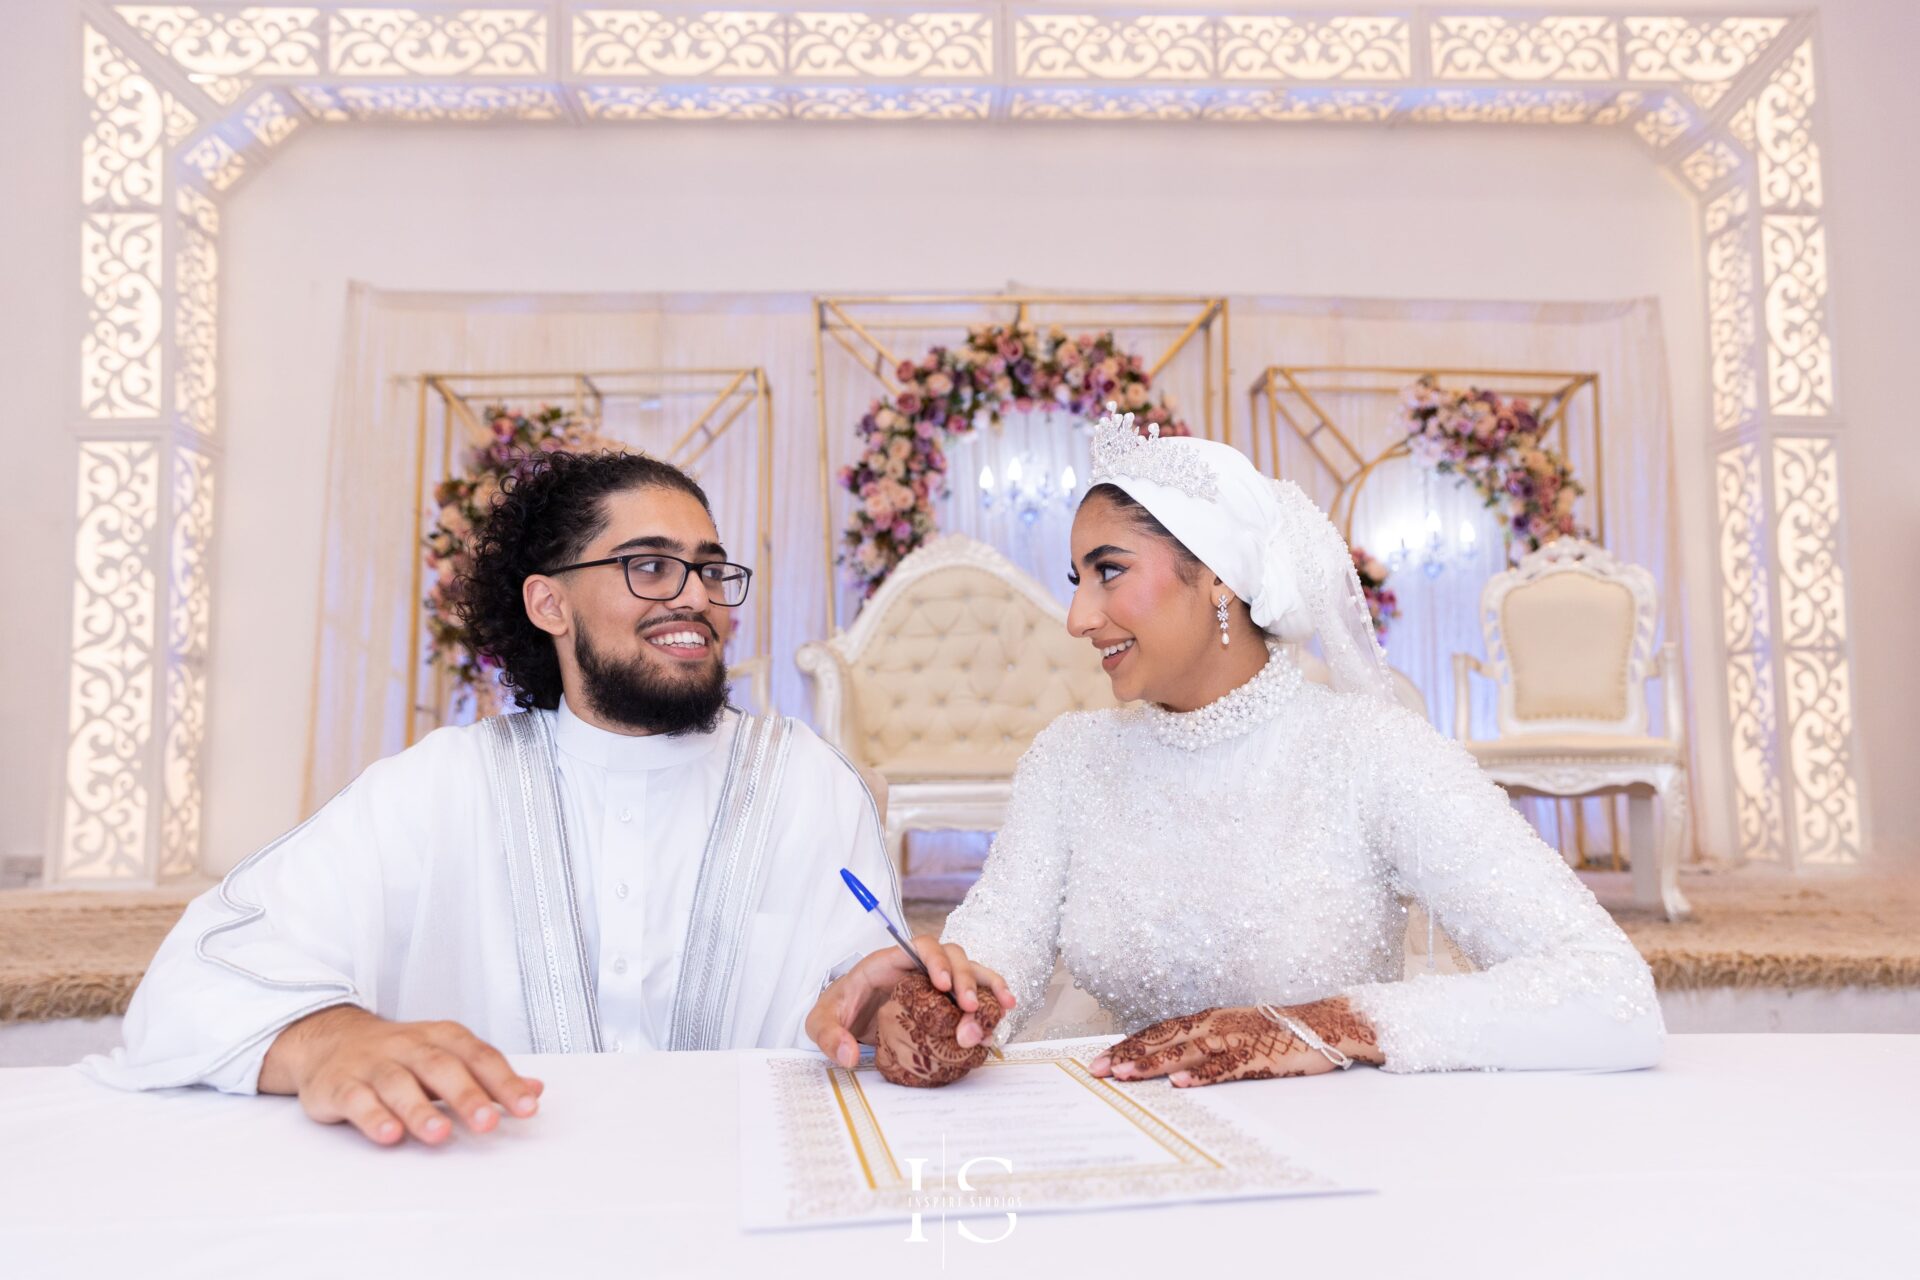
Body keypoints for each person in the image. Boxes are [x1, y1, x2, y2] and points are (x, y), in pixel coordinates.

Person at [811, 407, 1663, 1088]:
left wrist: (1324, 1027)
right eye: (1078, 581)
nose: (1076, 618)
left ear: (1218, 572)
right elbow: (997, 956)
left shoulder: (1369, 750)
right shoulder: (1069, 760)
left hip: (1337, 1164)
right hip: (1116, 1141)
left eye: (1108, 570)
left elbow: (1611, 993)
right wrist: (934, 1003)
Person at [84, 450, 917, 1145]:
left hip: (751, 1182)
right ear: (549, 602)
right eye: (652, 566)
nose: (696, 596)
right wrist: (330, 1041)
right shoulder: (443, 784)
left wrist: (900, 1007)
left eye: (708, 568)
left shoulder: (806, 779)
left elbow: (866, 987)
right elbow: (197, 975)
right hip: (484, 1190)